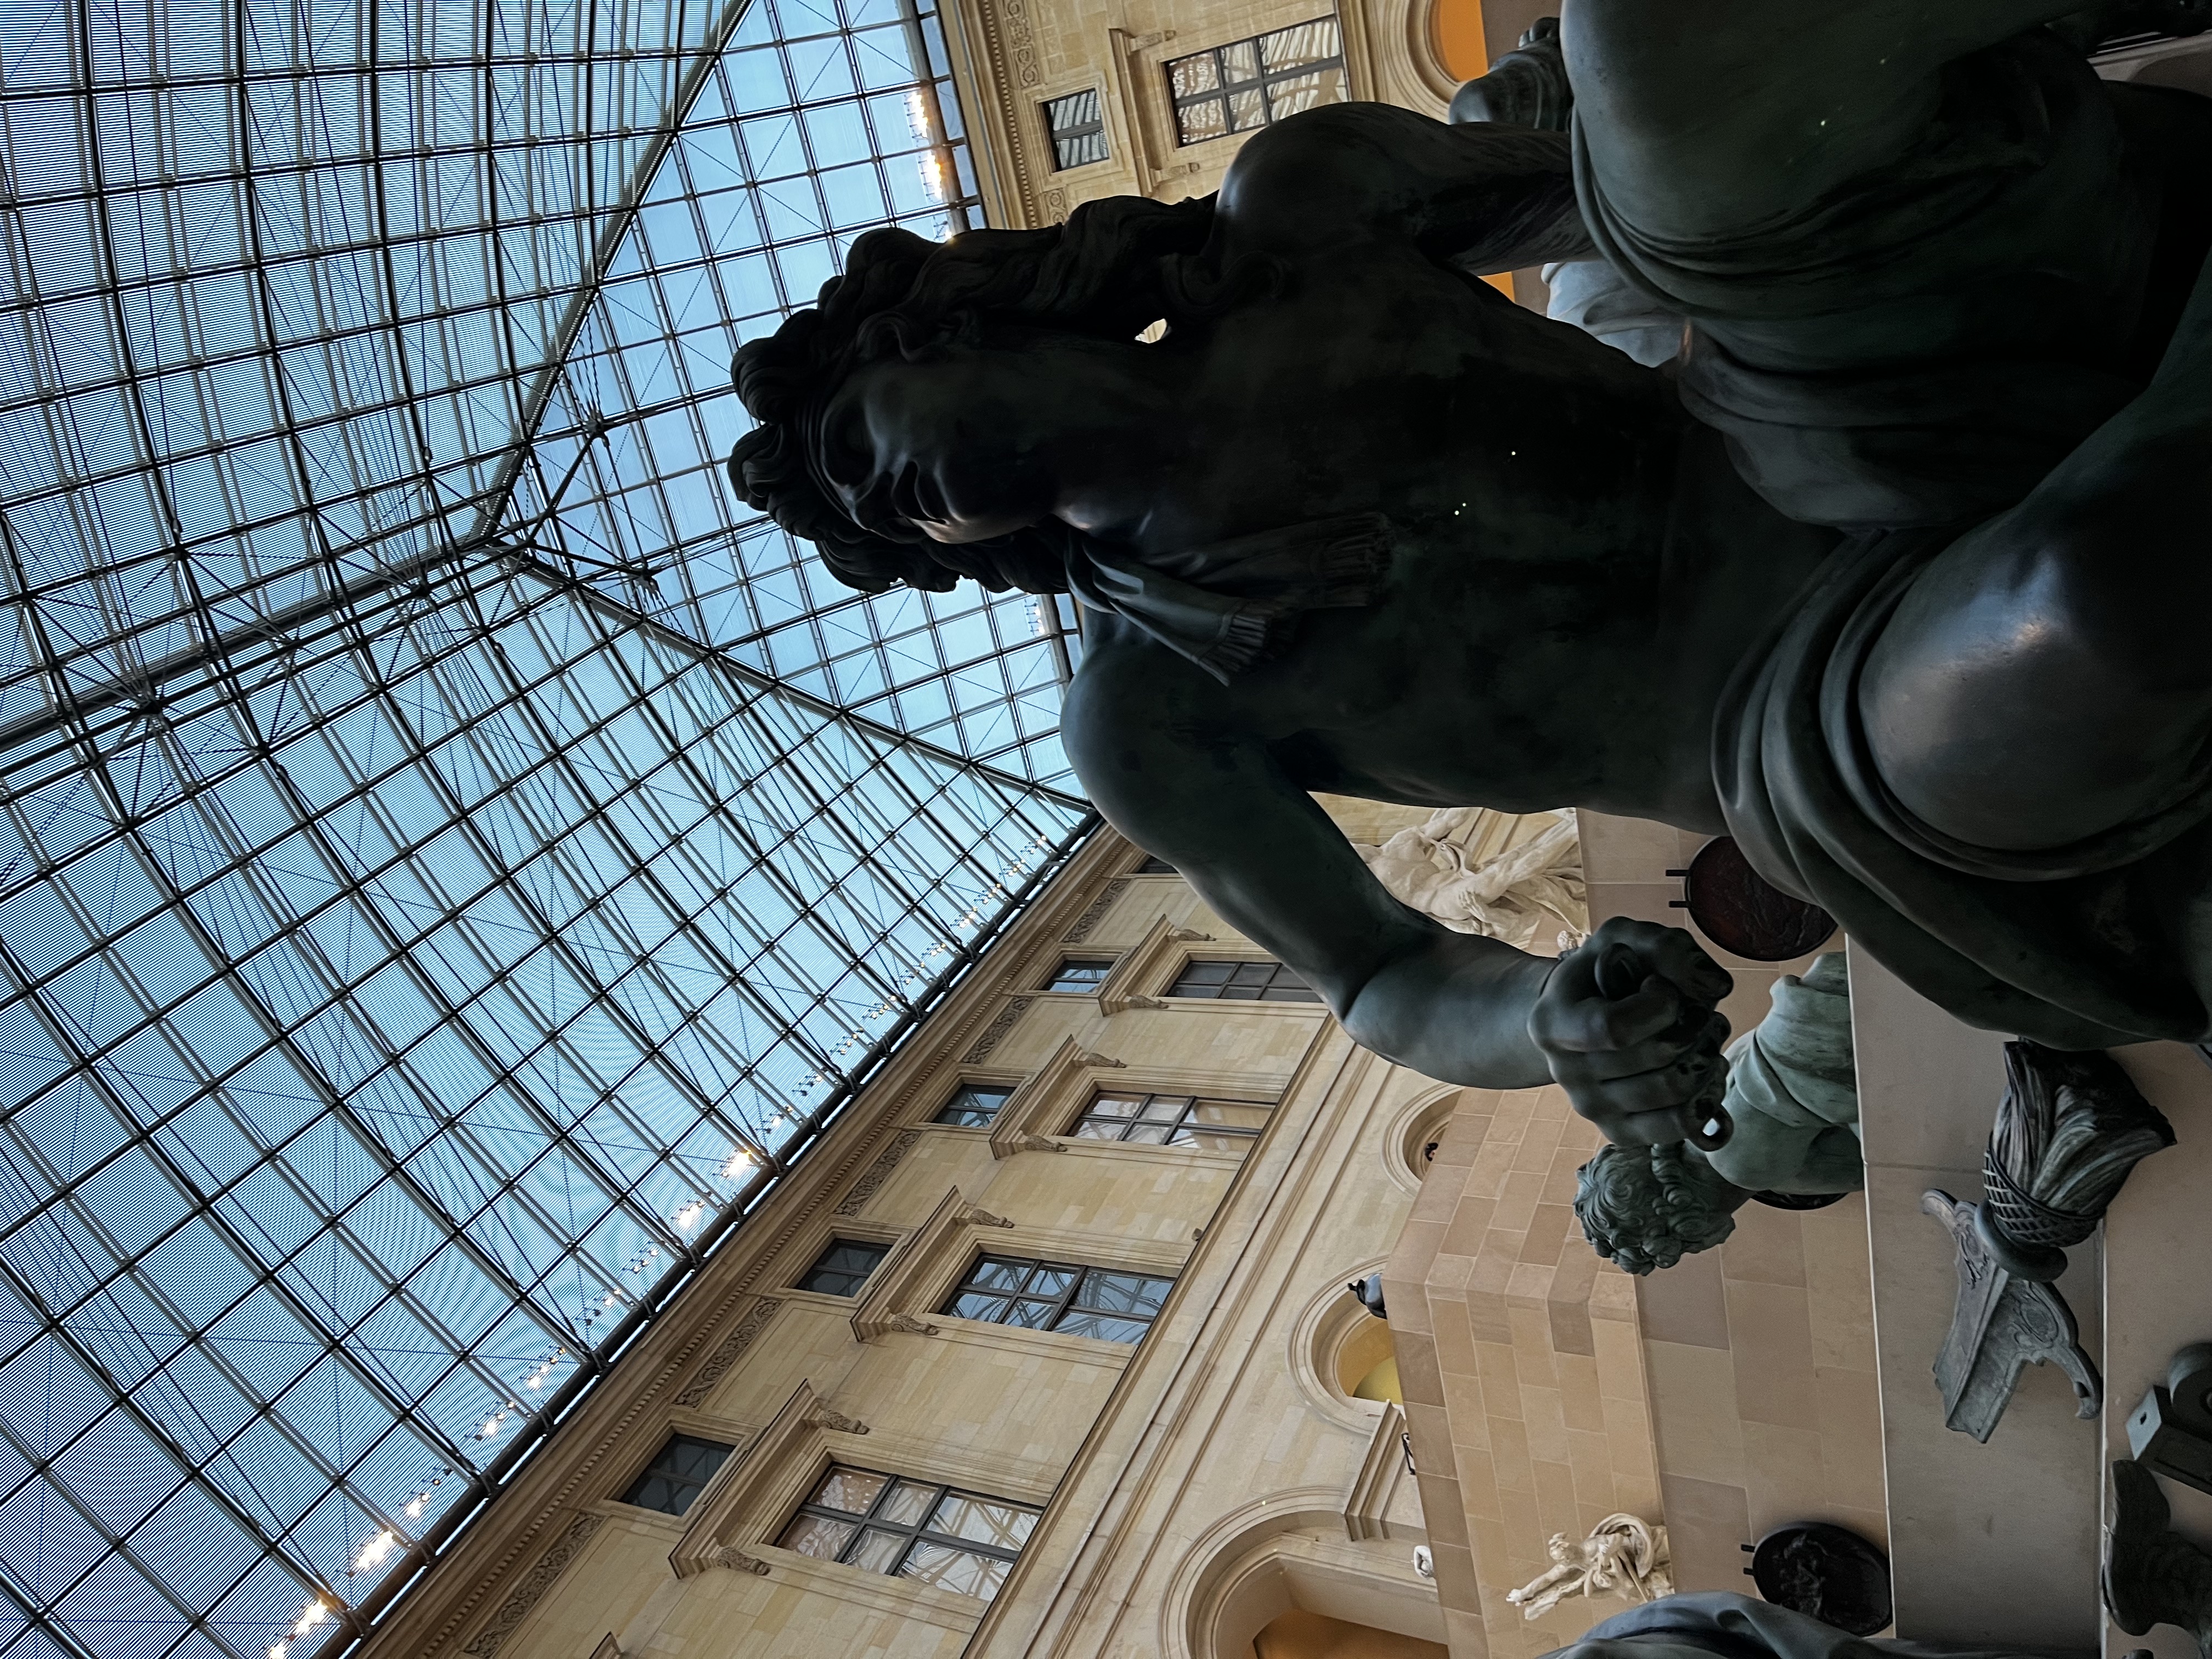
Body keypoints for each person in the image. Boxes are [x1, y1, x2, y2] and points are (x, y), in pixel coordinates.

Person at [725, 1, 2212, 1149]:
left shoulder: (1303, 214)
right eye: (882, 530)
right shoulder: (1150, 716)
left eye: (861, 449)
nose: (890, 506)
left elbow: (1608, 189)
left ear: (938, 327)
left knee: (1667, 56)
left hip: (1811, 426)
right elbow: (1380, 979)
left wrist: (1771, 143)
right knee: (2084, 605)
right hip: (1817, 721)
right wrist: (1546, 1021)